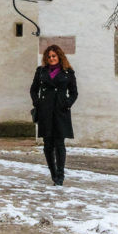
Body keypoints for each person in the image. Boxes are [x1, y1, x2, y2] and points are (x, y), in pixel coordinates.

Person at [30, 45, 78, 186]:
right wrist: (37, 103)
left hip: (60, 111)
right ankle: (53, 172)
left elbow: (74, 92)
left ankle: (60, 175)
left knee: (59, 144)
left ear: (59, 57)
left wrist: (67, 103)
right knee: (47, 145)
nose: (51, 58)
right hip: (45, 112)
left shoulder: (68, 72)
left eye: (54, 56)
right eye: (49, 56)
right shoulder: (40, 72)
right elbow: (33, 90)